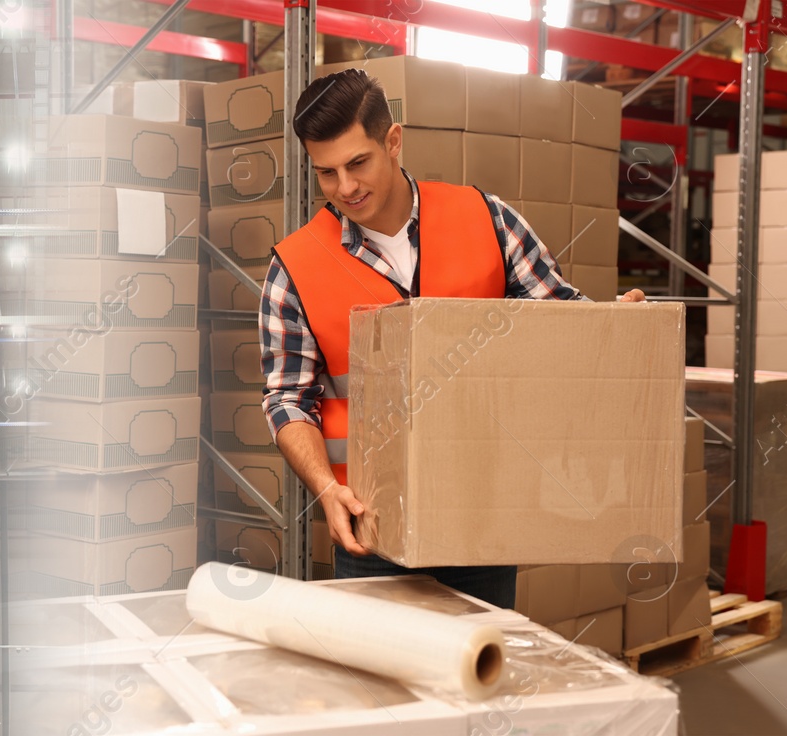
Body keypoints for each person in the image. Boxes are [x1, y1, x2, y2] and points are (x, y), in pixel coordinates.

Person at [258, 68, 646, 608]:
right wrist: (327, 489)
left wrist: (614, 326)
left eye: (358, 163)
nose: (345, 187)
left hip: (481, 523)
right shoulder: (295, 265)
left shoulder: (487, 220)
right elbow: (286, 398)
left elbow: (563, 324)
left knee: (478, 678)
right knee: (386, 687)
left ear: (392, 142)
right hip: (371, 527)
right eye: (326, 173)